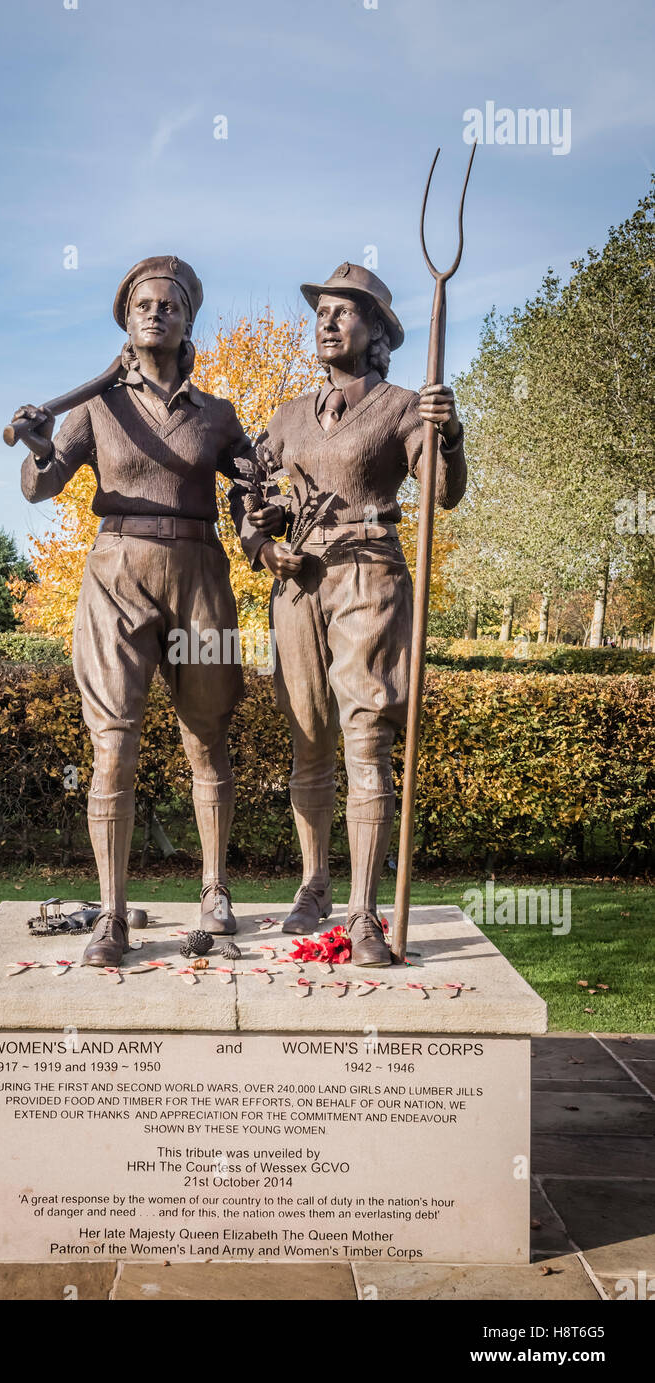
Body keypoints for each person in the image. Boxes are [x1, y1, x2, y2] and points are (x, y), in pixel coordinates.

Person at [15, 256, 254, 966]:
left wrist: (261, 528)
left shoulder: (217, 414)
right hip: (116, 576)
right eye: (142, 303)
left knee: (206, 735)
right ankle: (112, 913)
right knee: (112, 743)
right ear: (126, 318)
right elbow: (43, 485)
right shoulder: (95, 408)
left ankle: (214, 888)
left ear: (187, 319)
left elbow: (250, 491)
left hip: (199, 575)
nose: (155, 312)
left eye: (169, 304)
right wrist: (35, 445)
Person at [232, 262, 467, 966]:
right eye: (321, 312)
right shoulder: (285, 415)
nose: (326, 322)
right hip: (297, 587)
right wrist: (260, 544)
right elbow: (249, 496)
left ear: (376, 334)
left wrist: (447, 435)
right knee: (308, 738)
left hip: (368, 575)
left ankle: (364, 913)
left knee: (365, 741)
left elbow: (443, 495)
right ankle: (313, 886)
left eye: (343, 313)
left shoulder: (401, 407)